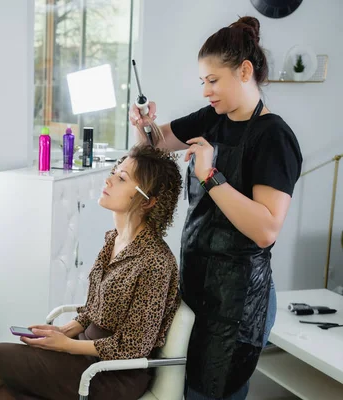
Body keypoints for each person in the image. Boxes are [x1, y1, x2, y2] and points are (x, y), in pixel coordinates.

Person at [129, 16, 303, 400]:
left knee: (212, 392)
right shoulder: (214, 119)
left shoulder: (273, 137)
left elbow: (266, 228)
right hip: (197, 281)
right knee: (184, 387)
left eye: (213, 80)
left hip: (238, 298)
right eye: (202, 82)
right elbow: (156, 143)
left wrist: (210, 177)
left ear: (244, 71)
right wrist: (145, 125)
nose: (207, 91)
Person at [0, 144, 183, 399]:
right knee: (4, 391)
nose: (109, 179)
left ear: (147, 201)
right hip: (84, 354)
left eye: (121, 178)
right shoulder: (114, 240)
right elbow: (96, 307)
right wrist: (64, 331)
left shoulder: (156, 262)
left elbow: (134, 346)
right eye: (115, 171)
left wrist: (67, 346)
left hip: (111, 374)